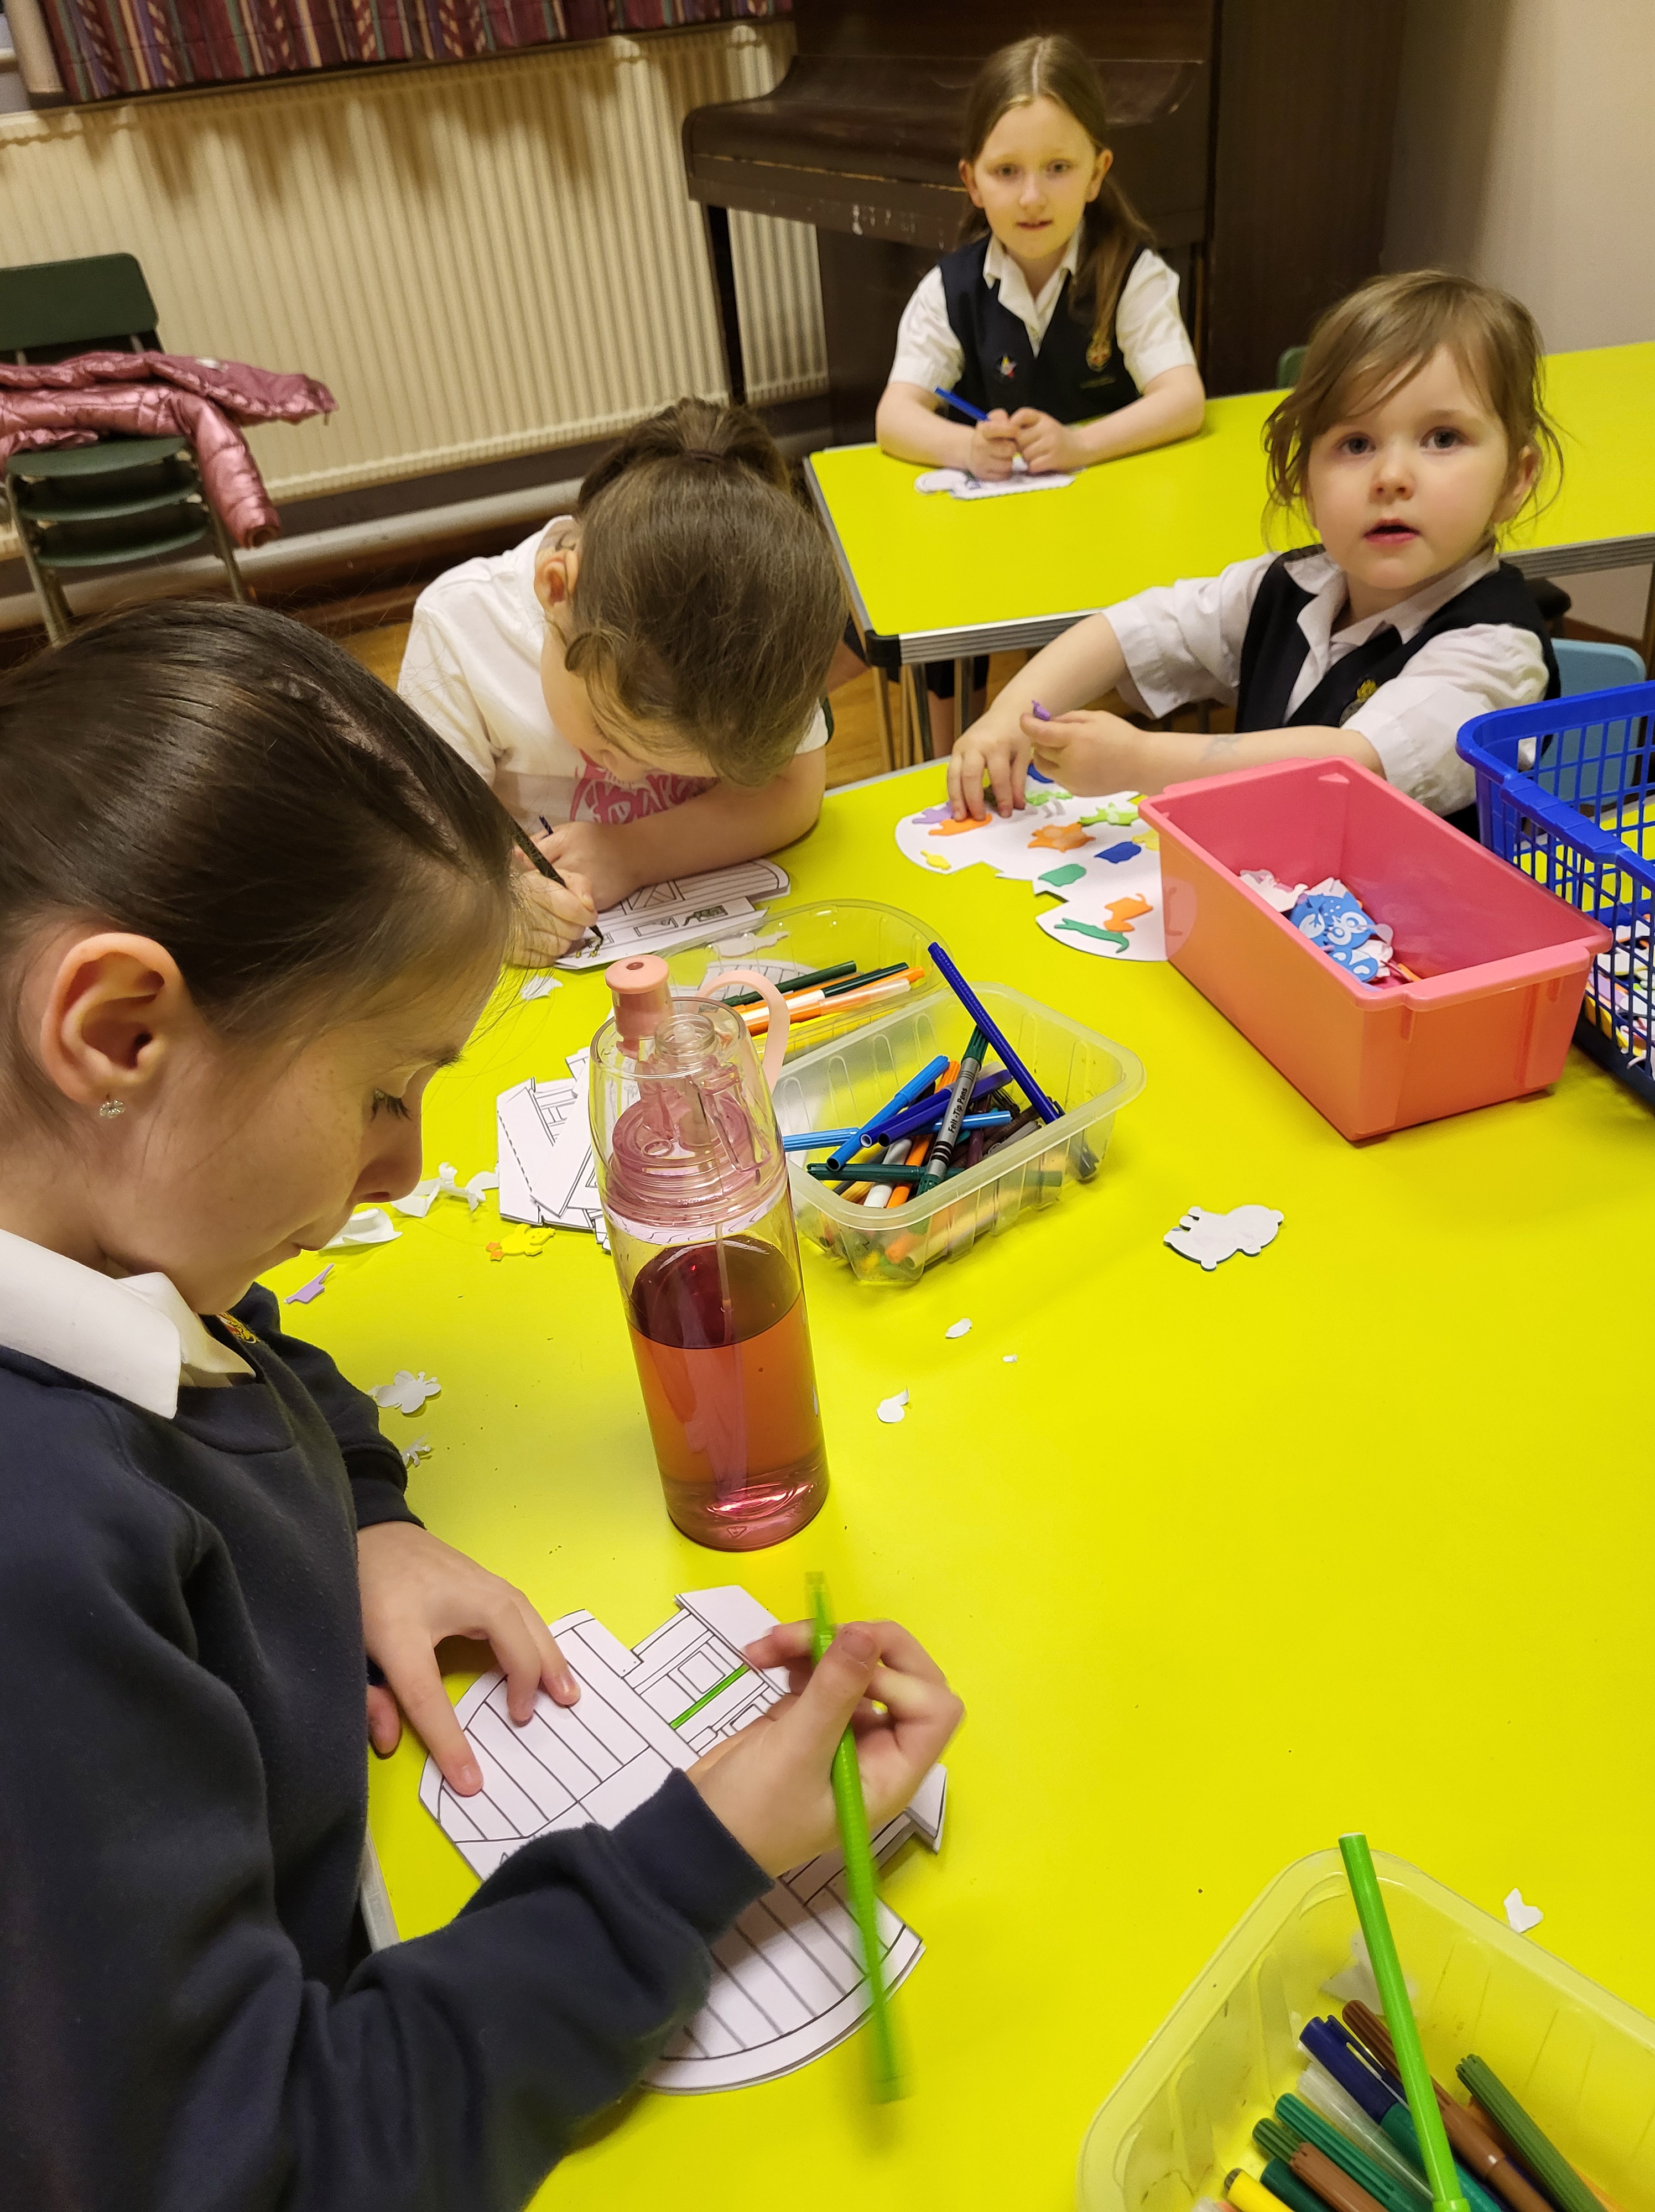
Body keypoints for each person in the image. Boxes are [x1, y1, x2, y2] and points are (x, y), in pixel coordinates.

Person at [0, 602, 962, 2210]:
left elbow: (231, 1337)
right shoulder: (37, 1564)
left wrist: (355, 1513)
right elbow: (266, 2166)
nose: (408, 1164)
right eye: (385, 1089)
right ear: (118, 1031)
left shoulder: (92, 1233)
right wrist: (697, 1855)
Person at [948, 270, 1563, 827]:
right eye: (1356, 444)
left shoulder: (1497, 654)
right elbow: (1135, 629)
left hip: (1419, 918)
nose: (1391, 477)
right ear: (1306, 485)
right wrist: (1008, 715)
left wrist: (1140, 760)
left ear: (1516, 478)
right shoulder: (1293, 584)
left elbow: (1354, 765)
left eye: (1443, 438)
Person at [399, 397, 849, 961]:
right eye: (610, 736)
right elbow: (421, 857)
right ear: (556, 589)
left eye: (671, 764)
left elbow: (794, 790)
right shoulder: (461, 628)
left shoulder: (763, 627)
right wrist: (495, 909)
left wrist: (633, 853)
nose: (630, 775)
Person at [874, 31, 1205, 750]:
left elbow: (1184, 399)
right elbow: (895, 416)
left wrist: (1080, 443)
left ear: (1097, 173)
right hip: (991, 548)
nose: (1032, 196)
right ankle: (948, 753)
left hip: (1104, 538)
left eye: (1058, 168)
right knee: (946, 607)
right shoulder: (950, 289)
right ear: (972, 182)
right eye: (1007, 171)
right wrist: (967, 446)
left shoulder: (1133, 277)